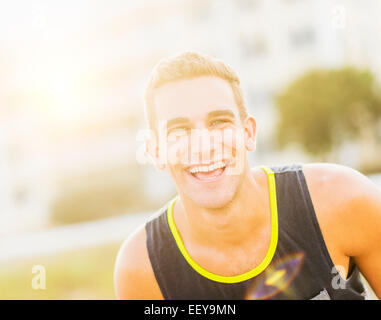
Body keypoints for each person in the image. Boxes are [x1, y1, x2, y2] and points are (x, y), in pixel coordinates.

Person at [114, 51, 381, 300]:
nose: (204, 146)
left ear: (249, 133)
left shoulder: (341, 199)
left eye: (219, 122)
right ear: (156, 151)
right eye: (179, 131)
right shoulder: (143, 267)